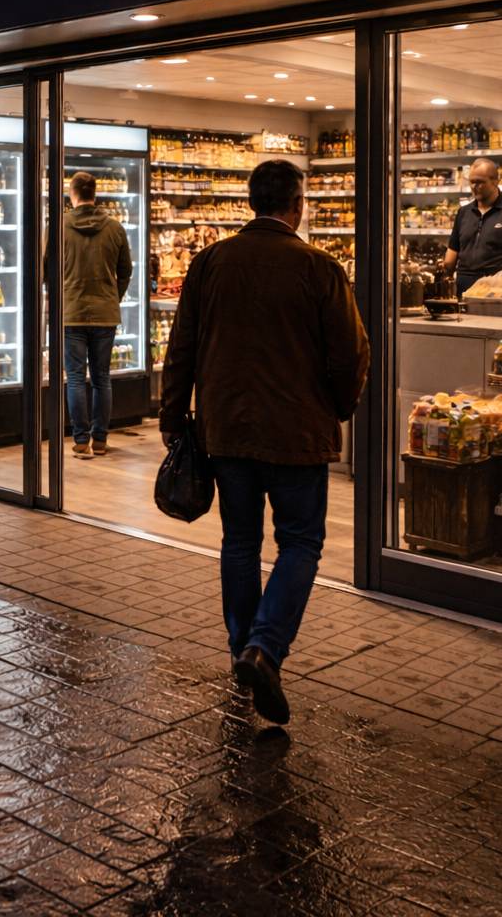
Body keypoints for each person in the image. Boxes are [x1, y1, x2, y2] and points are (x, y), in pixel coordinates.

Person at [159, 159, 369, 724]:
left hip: (226, 429)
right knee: (300, 544)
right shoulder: (319, 268)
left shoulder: (210, 263)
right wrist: (337, 408)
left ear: (252, 201)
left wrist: (173, 416)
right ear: (296, 205)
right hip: (297, 432)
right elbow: (351, 354)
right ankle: (265, 649)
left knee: (240, 542)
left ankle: (240, 650)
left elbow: (181, 348)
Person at [57, 171, 132, 458]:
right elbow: (126, 271)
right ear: (95, 193)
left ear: (72, 194)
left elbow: (45, 268)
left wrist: (60, 293)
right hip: (105, 313)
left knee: (76, 377)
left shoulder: (59, 226)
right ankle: (100, 439)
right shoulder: (114, 227)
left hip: (72, 311)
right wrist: (113, 296)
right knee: (102, 377)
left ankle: (80, 440)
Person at [443, 157, 502, 295]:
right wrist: (446, 279)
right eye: (472, 182)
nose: (475, 187)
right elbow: (452, 252)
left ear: (495, 181)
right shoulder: (463, 212)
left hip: (496, 288)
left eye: (480, 182)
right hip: (463, 287)